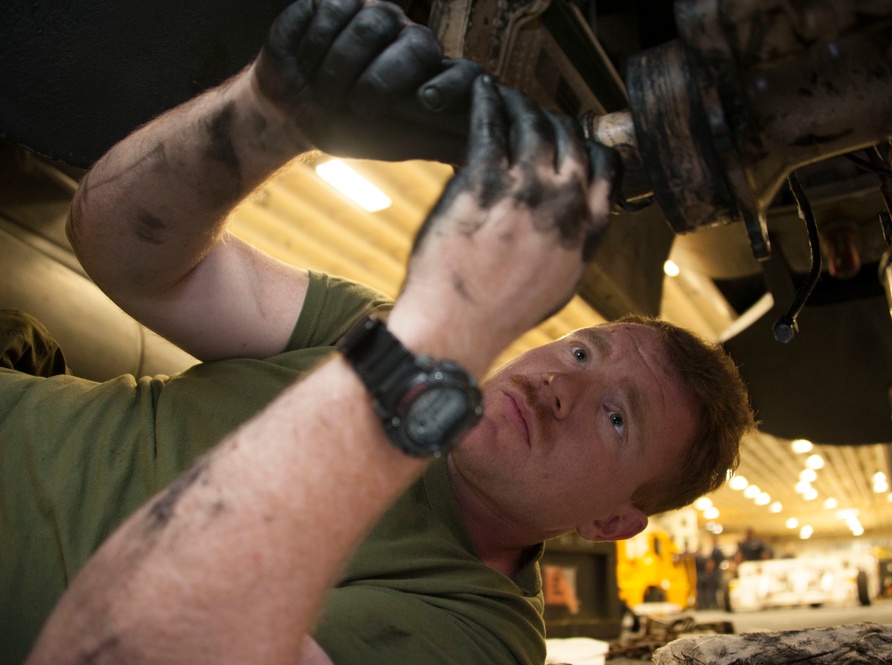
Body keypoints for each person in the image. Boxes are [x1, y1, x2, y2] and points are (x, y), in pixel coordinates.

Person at [0, 0, 756, 663]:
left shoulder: (478, 632)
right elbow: (116, 250)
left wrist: (451, 320)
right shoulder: (372, 333)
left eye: (616, 415)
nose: (565, 385)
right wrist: (266, 113)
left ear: (612, 519)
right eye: (583, 350)